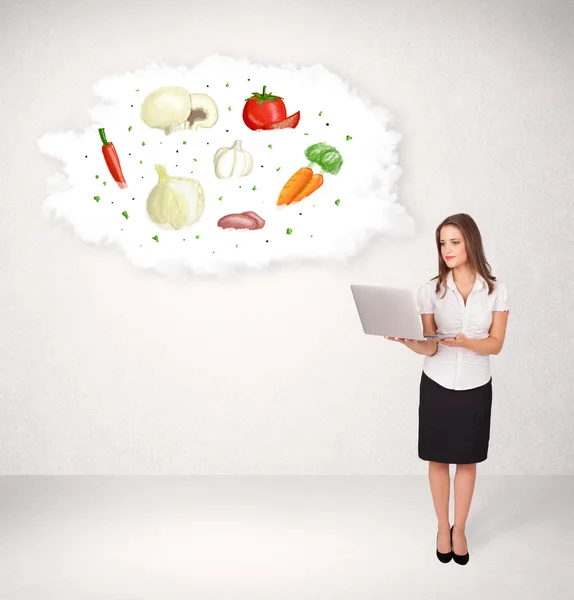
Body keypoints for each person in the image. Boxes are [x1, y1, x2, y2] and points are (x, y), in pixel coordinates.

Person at [384, 213, 509, 565]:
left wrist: (467, 342)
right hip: (437, 383)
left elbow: (496, 344)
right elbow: (431, 345)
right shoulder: (431, 290)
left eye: (454, 241)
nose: (448, 249)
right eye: (442, 243)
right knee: (437, 458)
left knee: (467, 460)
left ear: (471, 241)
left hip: (475, 384)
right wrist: (408, 342)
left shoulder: (497, 291)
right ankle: (442, 528)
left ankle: (460, 529)